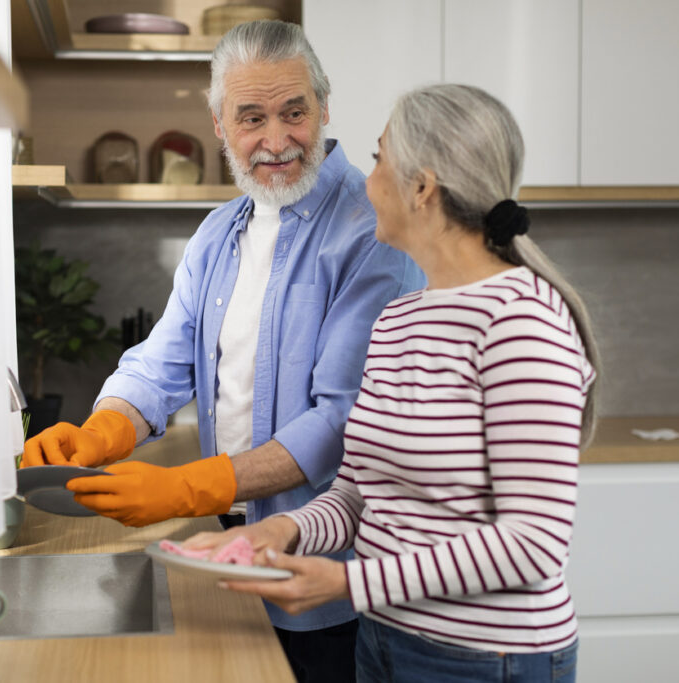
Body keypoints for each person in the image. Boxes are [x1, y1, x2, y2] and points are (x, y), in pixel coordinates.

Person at [19, 20, 423, 683]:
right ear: (218, 124)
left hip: (326, 585)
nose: (276, 140)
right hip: (226, 555)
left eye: (294, 112)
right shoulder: (218, 233)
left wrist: (184, 485)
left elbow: (340, 420)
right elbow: (160, 362)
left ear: (324, 106)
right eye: (251, 118)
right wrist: (98, 434)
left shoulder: (372, 229)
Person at [182, 83, 600, 683]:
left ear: (423, 187)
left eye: (379, 158)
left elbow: (532, 543)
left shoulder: (521, 320)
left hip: (488, 658)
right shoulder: (402, 317)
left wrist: (351, 582)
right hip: (383, 640)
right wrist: (281, 529)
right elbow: (357, 493)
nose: (365, 177)